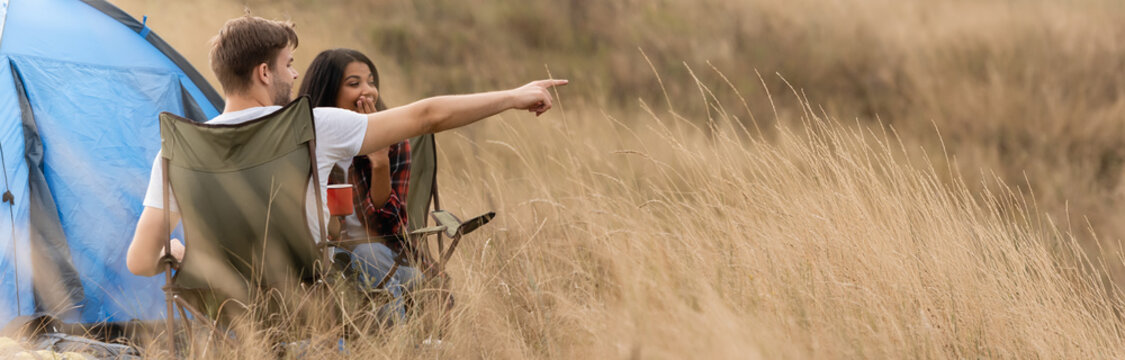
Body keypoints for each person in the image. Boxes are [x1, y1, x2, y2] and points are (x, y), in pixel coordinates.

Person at [125, 15, 566, 279]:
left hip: (227, 315)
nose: (294, 76)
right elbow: (427, 116)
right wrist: (512, 96)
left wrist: (185, 255)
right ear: (263, 72)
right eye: (288, 65)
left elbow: (142, 261)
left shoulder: (177, 151)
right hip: (310, 306)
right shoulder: (313, 126)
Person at [297, 48, 422, 319]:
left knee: (368, 253)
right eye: (354, 84)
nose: (369, 91)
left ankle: (395, 343)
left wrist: (379, 162)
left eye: (371, 81)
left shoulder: (394, 139)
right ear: (329, 91)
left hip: (388, 260)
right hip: (326, 262)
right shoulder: (302, 144)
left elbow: (388, 229)